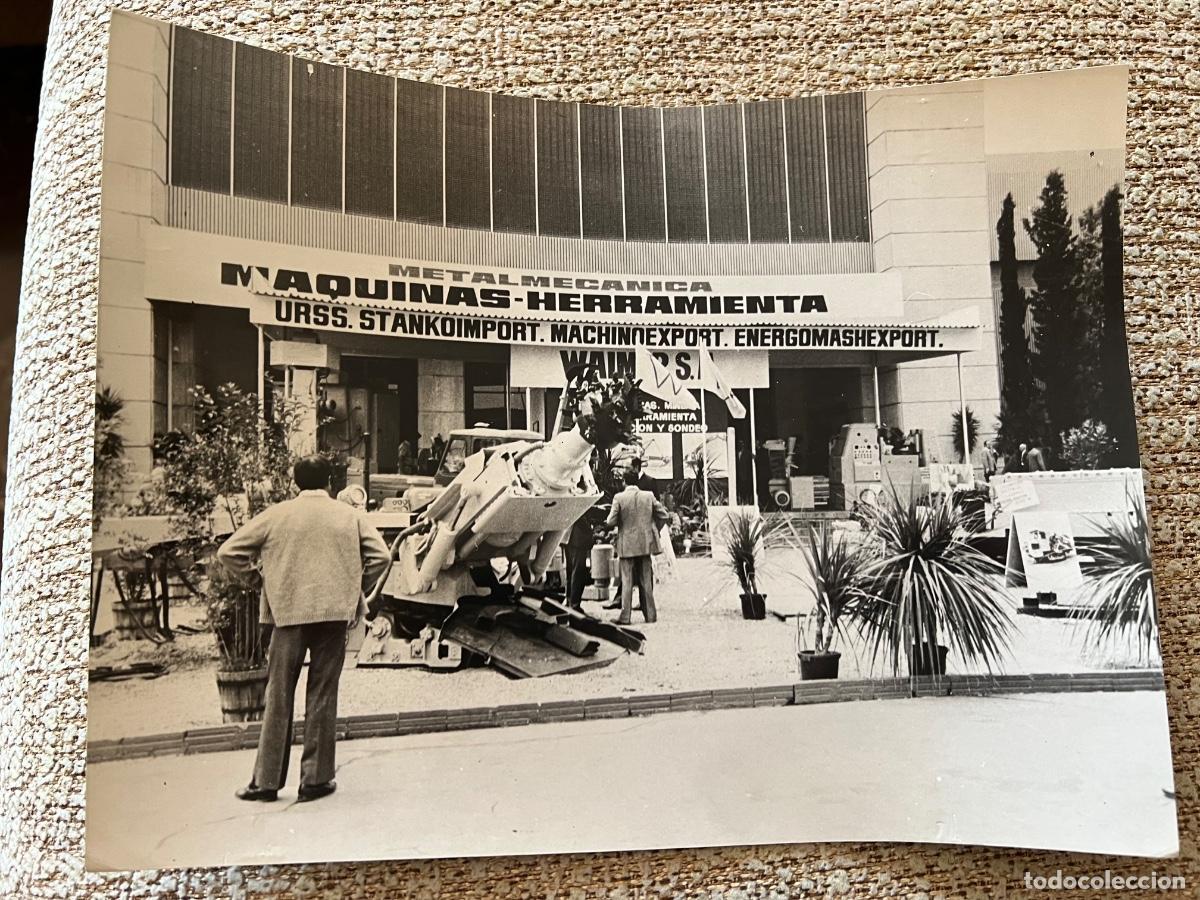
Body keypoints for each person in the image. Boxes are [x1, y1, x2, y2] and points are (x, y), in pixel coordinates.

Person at [217, 455, 390, 804]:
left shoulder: (277, 514)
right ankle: (315, 779)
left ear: (296, 482)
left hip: (287, 616)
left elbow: (228, 552)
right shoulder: (351, 516)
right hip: (333, 617)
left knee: (278, 696)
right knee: (323, 695)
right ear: (329, 481)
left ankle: (265, 783)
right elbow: (381, 557)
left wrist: (261, 582)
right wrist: (350, 586)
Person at [606, 468, 669, 625]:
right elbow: (664, 515)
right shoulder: (648, 496)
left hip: (626, 544)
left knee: (627, 581)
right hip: (645, 543)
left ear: (624, 482)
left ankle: (625, 616)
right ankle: (650, 615)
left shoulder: (619, 498)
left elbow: (611, 521)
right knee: (646, 580)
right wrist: (653, 529)